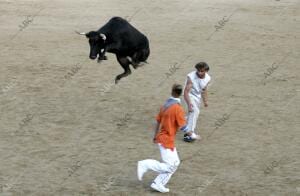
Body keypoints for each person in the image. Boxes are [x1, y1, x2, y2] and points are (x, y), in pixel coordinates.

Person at [137, 84, 191, 193]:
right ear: (180, 94)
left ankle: (158, 183)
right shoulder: (178, 108)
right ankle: (145, 164)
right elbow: (184, 127)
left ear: (172, 91)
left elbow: (158, 120)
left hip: (163, 138)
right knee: (171, 166)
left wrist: (155, 135)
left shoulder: (165, 105)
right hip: (166, 140)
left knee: (175, 163)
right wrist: (193, 135)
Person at [183, 62, 211, 142]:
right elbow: (186, 92)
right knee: (195, 111)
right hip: (189, 95)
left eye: (202, 71)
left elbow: (204, 89)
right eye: (198, 70)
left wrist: (205, 101)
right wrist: (189, 104)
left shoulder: (208, 78)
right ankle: (190, 133)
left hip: (197, 97)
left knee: (192, 114)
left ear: (206, 71)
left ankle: (178, 120)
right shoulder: (191, 77)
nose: (199, 72)